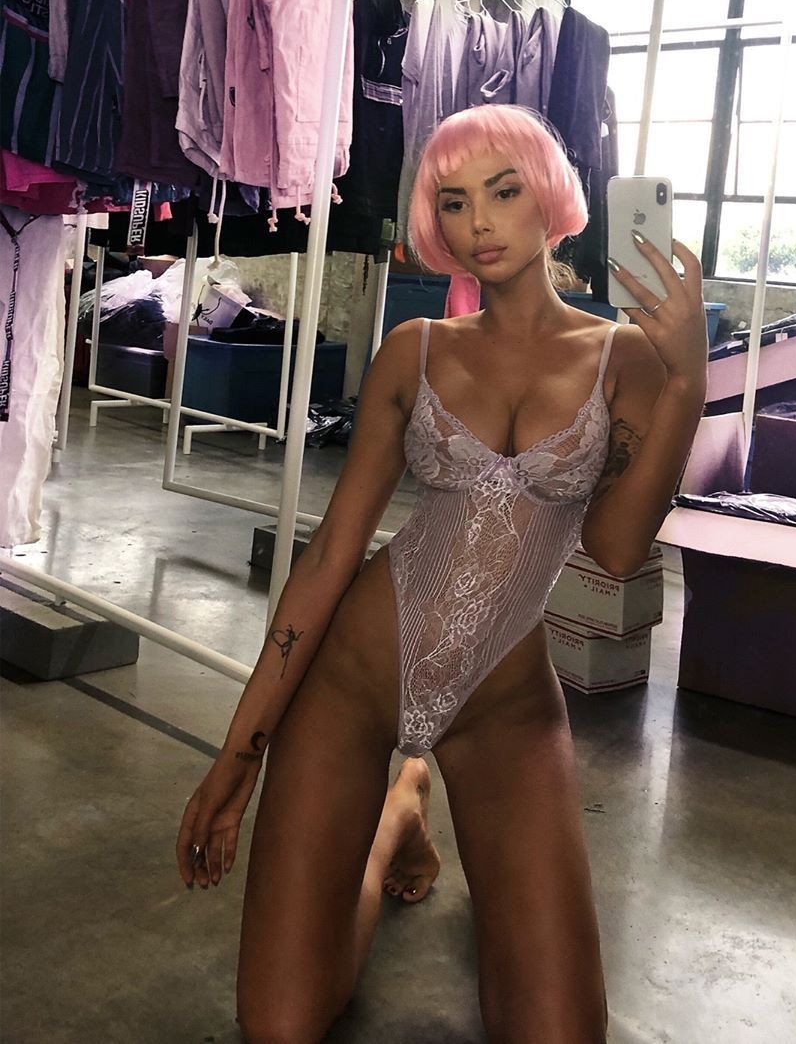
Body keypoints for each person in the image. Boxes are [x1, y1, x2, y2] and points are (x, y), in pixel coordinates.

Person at [175, 104, 708, 1044]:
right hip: (350, 683)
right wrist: (238, 755)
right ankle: (395, 821)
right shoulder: (414, 349)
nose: (480, 223)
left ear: (550, 199)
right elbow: (330, 558)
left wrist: (689, 380)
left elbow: (620, 550)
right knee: (281, 1029)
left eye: (504, 192)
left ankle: (405, 797)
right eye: (455, 202)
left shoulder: (622, 359)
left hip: (503, 706)